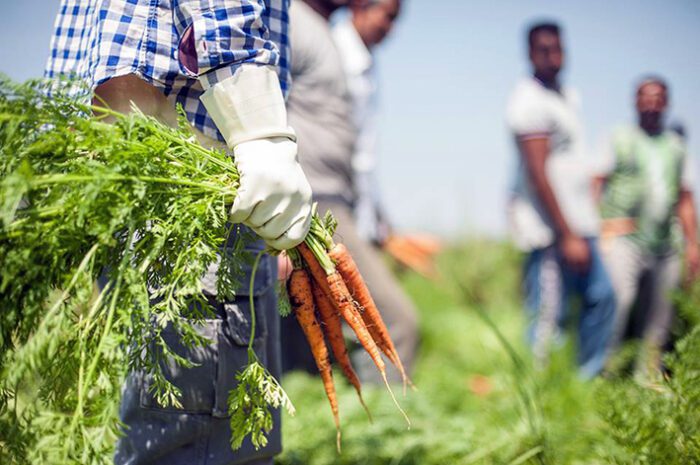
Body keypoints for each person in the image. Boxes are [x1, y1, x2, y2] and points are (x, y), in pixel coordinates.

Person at [46, 1, 313, 464]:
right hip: (200, 187)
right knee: (207, 447)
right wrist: (259, 129)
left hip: (129, 178)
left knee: (165, 439)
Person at [282, 0, 418, 384]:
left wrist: (375, 216)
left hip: (335, 200)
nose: (389, 27)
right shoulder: (295, 22)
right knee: (396, 324)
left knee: (306, 335)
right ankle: (386, 435)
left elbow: (362, 151)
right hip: (313, 201)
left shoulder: (329, 35)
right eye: (386, 15)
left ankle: (345, 431)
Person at [506, 21, 616, 379]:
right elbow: (539, 174)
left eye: (557, 48)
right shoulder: (529, 102)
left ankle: (586, 379)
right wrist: (565, 232)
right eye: (543, 50)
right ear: (530, 54)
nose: (552, 56)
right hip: (551, 228)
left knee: (601, 297)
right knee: (547, 314)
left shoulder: (566, 96)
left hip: (581, 221)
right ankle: (539, 391)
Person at [594, 78, 699, 375]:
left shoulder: (676, 147)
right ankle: (607, 373)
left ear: (667, 103)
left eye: (658, 97)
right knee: (620, 302)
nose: (652, 102)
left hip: (665, 244)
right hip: (624, 238)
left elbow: (686, 199)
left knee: (660, 315)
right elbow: (596, 185)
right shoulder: (618, 137)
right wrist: (600, 225)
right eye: (645, 96)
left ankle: (648, 379)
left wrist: (693, 245)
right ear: (635, 101)